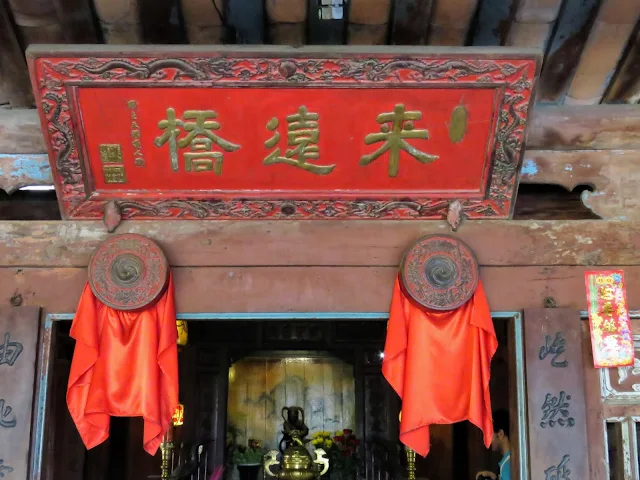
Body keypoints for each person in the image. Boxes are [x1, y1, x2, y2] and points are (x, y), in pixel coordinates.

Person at [476, 409, 511, 480]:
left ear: (500, 434)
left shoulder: (508, 466)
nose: (488, 439)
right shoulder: (509, 462)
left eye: (490, 433)